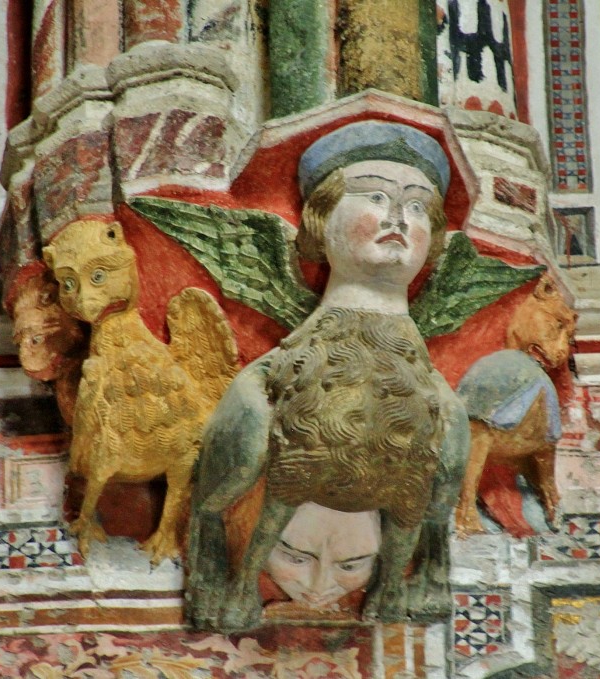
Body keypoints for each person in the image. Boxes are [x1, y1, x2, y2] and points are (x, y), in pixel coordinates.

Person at [187, 121, 469, 631]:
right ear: (319, 222)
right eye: (375, 197)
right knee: (258, 429)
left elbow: (423, 496)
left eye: (416, 206)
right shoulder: (283, 364)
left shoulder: (440, 399)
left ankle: (403, 580)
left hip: (395, 479)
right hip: (293, 466)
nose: (398, 219)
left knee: (448, 440)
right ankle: (232, 579)